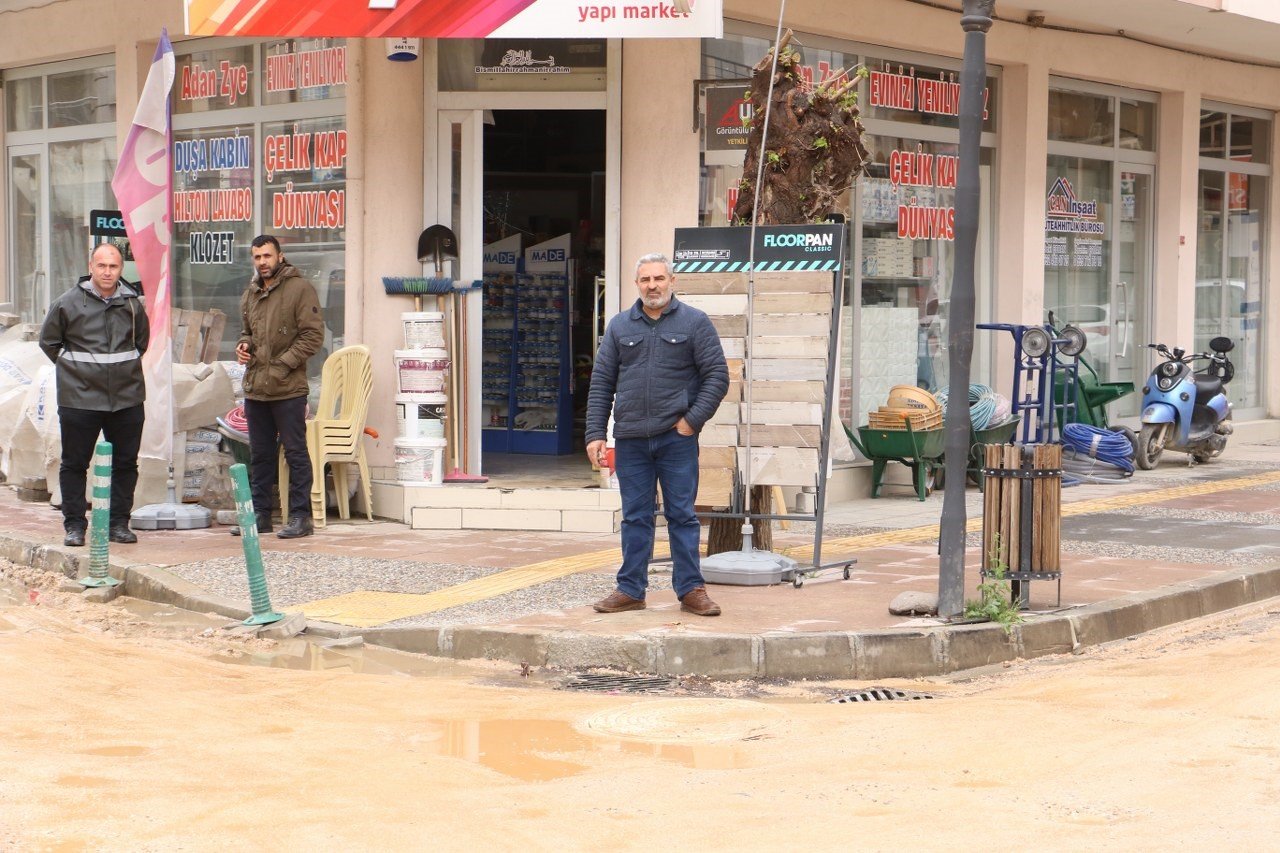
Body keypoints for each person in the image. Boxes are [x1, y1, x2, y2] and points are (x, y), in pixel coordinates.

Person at [585, 252, 729, 616]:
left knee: (682, 515)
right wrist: (594, 433)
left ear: (672, 281)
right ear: (637, 284)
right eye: (645, 279)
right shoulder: (619, 326)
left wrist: (691, 421)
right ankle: (631, 590)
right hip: (631, 440)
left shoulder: (695, 323)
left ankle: (691, 590)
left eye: (659, 279)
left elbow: (717, 376)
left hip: (676, 438)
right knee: (635, 517)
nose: (653, 286)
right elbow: (602, 382)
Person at [39, 243, 150, 547]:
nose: (107, 272)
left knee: (126, 464)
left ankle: (118, 524)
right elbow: (49, 342)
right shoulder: (68, 303)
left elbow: (141, 343)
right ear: (91, 266)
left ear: (121, 269)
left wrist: (121, 375)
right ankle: (75, 526)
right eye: (102, 266)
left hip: (126, 399)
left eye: (113, 267)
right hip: (79, 400)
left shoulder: (132, 305)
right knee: (75, 464)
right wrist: (76, 373)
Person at [233, 234, 323, 539]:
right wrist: (243, 346)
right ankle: (260, 516)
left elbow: (313, 337)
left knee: (295, 453)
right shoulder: (251, 292)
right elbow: (247, 332)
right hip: (256, 387)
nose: (262, 263)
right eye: (257, 257)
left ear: (280, 256)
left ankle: (301, 517)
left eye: (267, 256)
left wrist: (283, 364)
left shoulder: (300, 289)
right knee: (259, 455)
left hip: (288, 388)